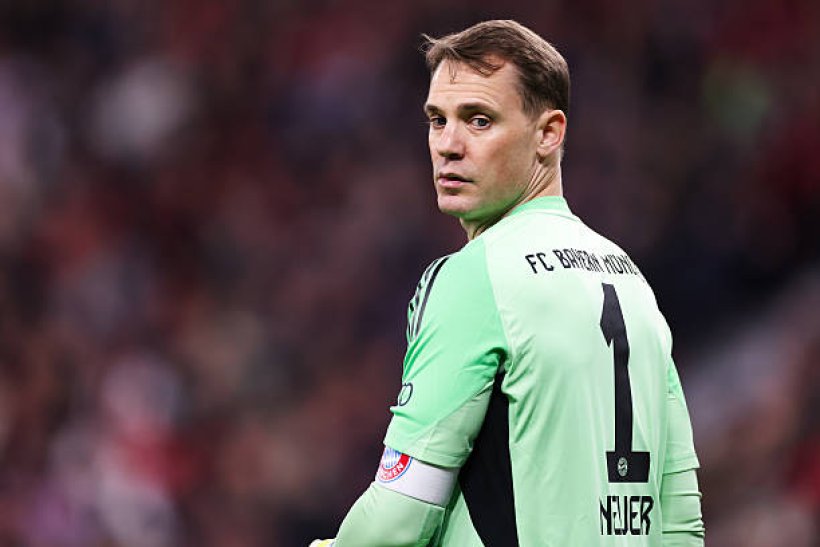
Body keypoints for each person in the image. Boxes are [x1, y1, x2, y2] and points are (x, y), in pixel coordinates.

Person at [311, 19, 704, 546]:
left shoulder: (474, 278)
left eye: (479, 120)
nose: (448, 145)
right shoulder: (632, 283)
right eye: (437, 120)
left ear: (549, 133)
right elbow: (680, 525)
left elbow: (400, 516)